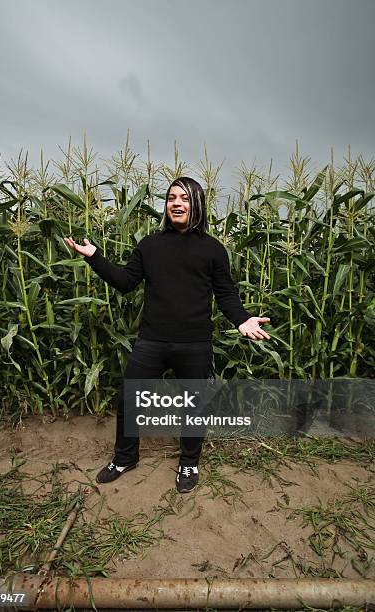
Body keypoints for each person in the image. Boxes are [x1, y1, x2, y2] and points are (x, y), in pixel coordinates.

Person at [64, 177, 270, 493]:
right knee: (130, 398)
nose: (176, 203)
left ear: (196, 204)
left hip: (195, 344)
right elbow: (124, 281)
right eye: (172, 197)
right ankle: (124, 457)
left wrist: (242, 320)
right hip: (152, 341)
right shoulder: (150, 245)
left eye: (184, 198)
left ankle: (189, 462)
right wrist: (95, 256)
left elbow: (226, 294)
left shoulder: (213, 250)